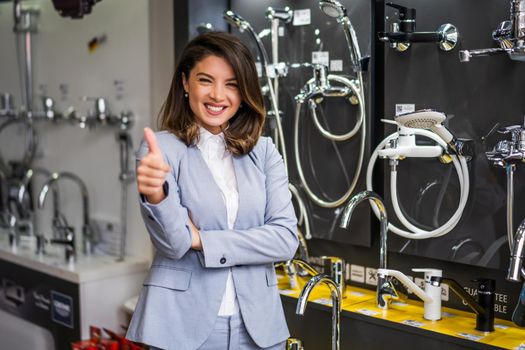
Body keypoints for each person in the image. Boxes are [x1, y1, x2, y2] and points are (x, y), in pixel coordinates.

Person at [126, 32, 299, 350]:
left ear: (245, 91)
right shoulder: (162, 149)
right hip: (182, 325)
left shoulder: (265, 152)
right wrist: (157, 197)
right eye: (206, 80)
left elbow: (286, 240)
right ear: (185, 82)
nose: (218, 95)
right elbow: (175, 243)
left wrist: (202, 239)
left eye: (232, 84)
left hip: (259, 327)